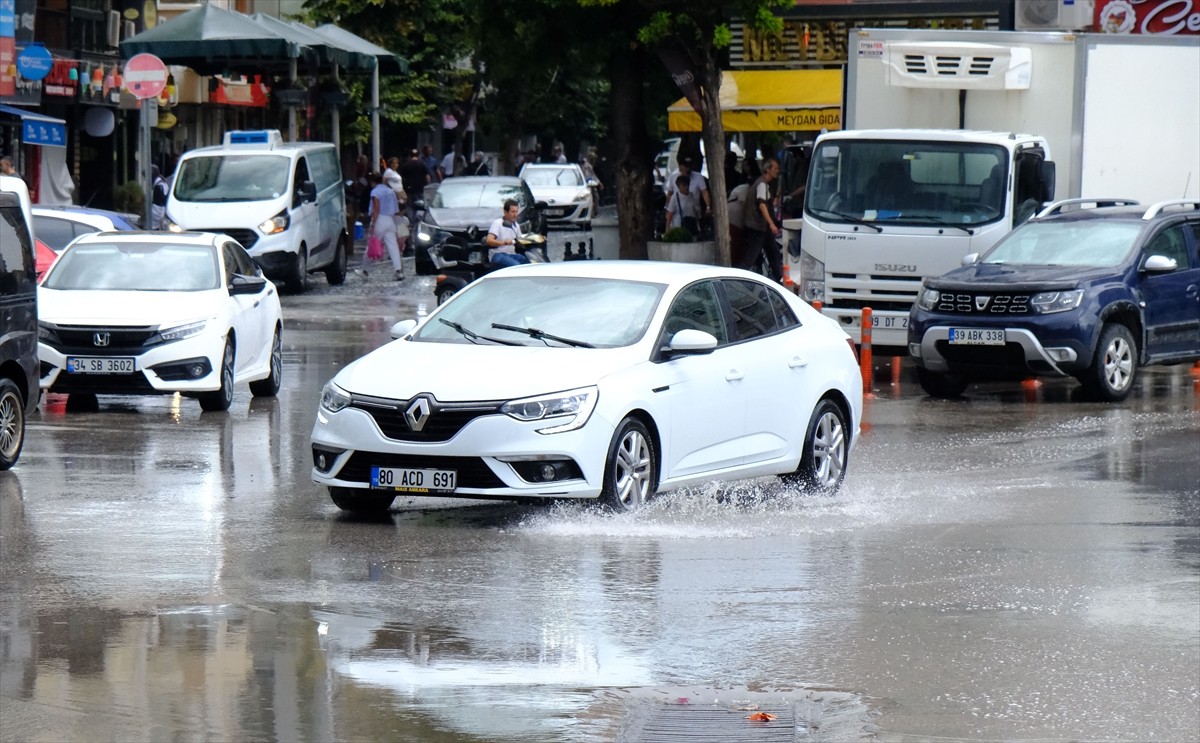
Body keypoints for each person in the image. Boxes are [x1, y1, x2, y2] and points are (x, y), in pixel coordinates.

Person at [737, 157, 783, 282]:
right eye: (775, 169)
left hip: (760, 227)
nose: (777, 171)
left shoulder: (762, 184)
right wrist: (772, 224)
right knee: (751, 257)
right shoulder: (762, 184)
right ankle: (738, 279)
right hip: (757, 227)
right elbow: (762, 205)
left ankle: (779, 278)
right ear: (768, 170)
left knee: (772, 253)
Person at [365, 171, 405, 281]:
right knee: (393, 247)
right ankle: (399, 271)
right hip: (390, 220)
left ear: (373, 182)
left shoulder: (375, 192)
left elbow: (376, 208)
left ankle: (365, 270)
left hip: (379, 220)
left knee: (372, 245)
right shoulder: (390, 191)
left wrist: (373, 223)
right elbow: (396, 209)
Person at [486, 199, 531, 269]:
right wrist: (504, 243)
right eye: (512, 212)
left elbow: (520, 239)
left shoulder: (516, 225)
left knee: (528, 263)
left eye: (516, 212)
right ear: (505, 212)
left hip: (511, 254)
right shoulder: (498, 223)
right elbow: (489, 240)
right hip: (498, 254)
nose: (515, 215)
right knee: (516, 266)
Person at [665, 157, 711, 222]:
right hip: (677, 214)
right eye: (686, 166)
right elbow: (669, 194)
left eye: (689, 166)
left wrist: (708, 206)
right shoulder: (673, 177)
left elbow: (704, 192)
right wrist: (667, 209)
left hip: (694, 214)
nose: (688, 169)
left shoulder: (698, 177)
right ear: (680, 167)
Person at [664, 174, 700, 239]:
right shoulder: (674, 198)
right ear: (679, 186)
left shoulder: (691, 196)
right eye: (684, 185)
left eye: (687, 185)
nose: (686, 187)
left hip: (691, 228)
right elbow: (669, 215)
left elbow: (695, 211)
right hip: (679, 229)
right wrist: (667, 231)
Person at [150, 165, 169, 230]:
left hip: (158, 212)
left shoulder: (159, 186)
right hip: (159, 211)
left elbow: (160, 203)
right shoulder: (162, 183)